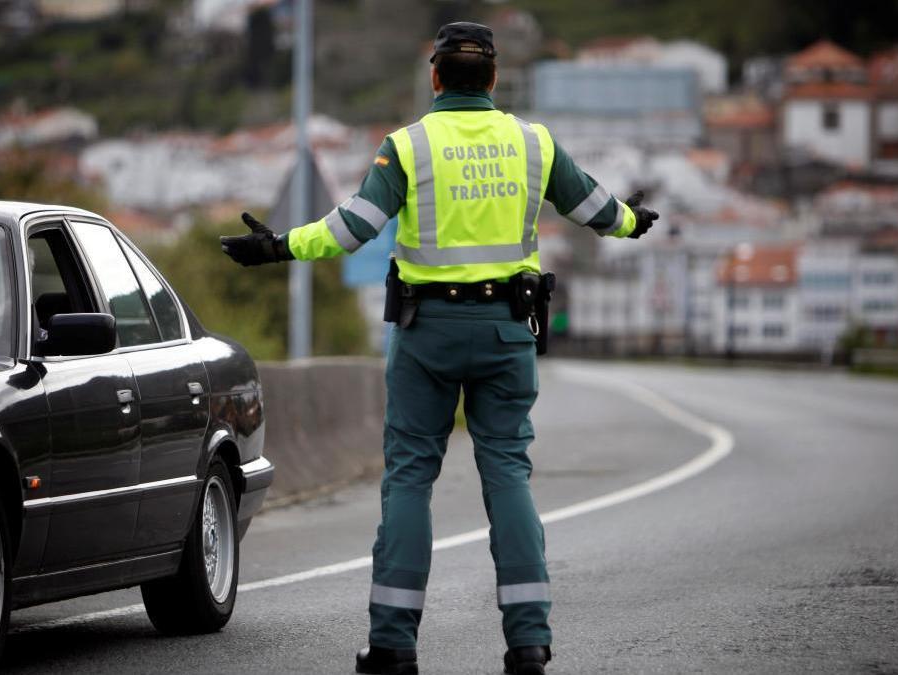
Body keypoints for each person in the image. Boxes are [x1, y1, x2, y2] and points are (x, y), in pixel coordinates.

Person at [220, 21, 658, 675]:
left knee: (408, 480)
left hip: (428, 335)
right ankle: (529, 641)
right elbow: (595, 206)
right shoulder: (531, 143)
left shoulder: (409, 147)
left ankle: (393, 643)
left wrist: (280, 245)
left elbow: (354, 227)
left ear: (435, 77)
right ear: (493, 78)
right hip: (509, 330)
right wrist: (631, 218)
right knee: (506, 474)